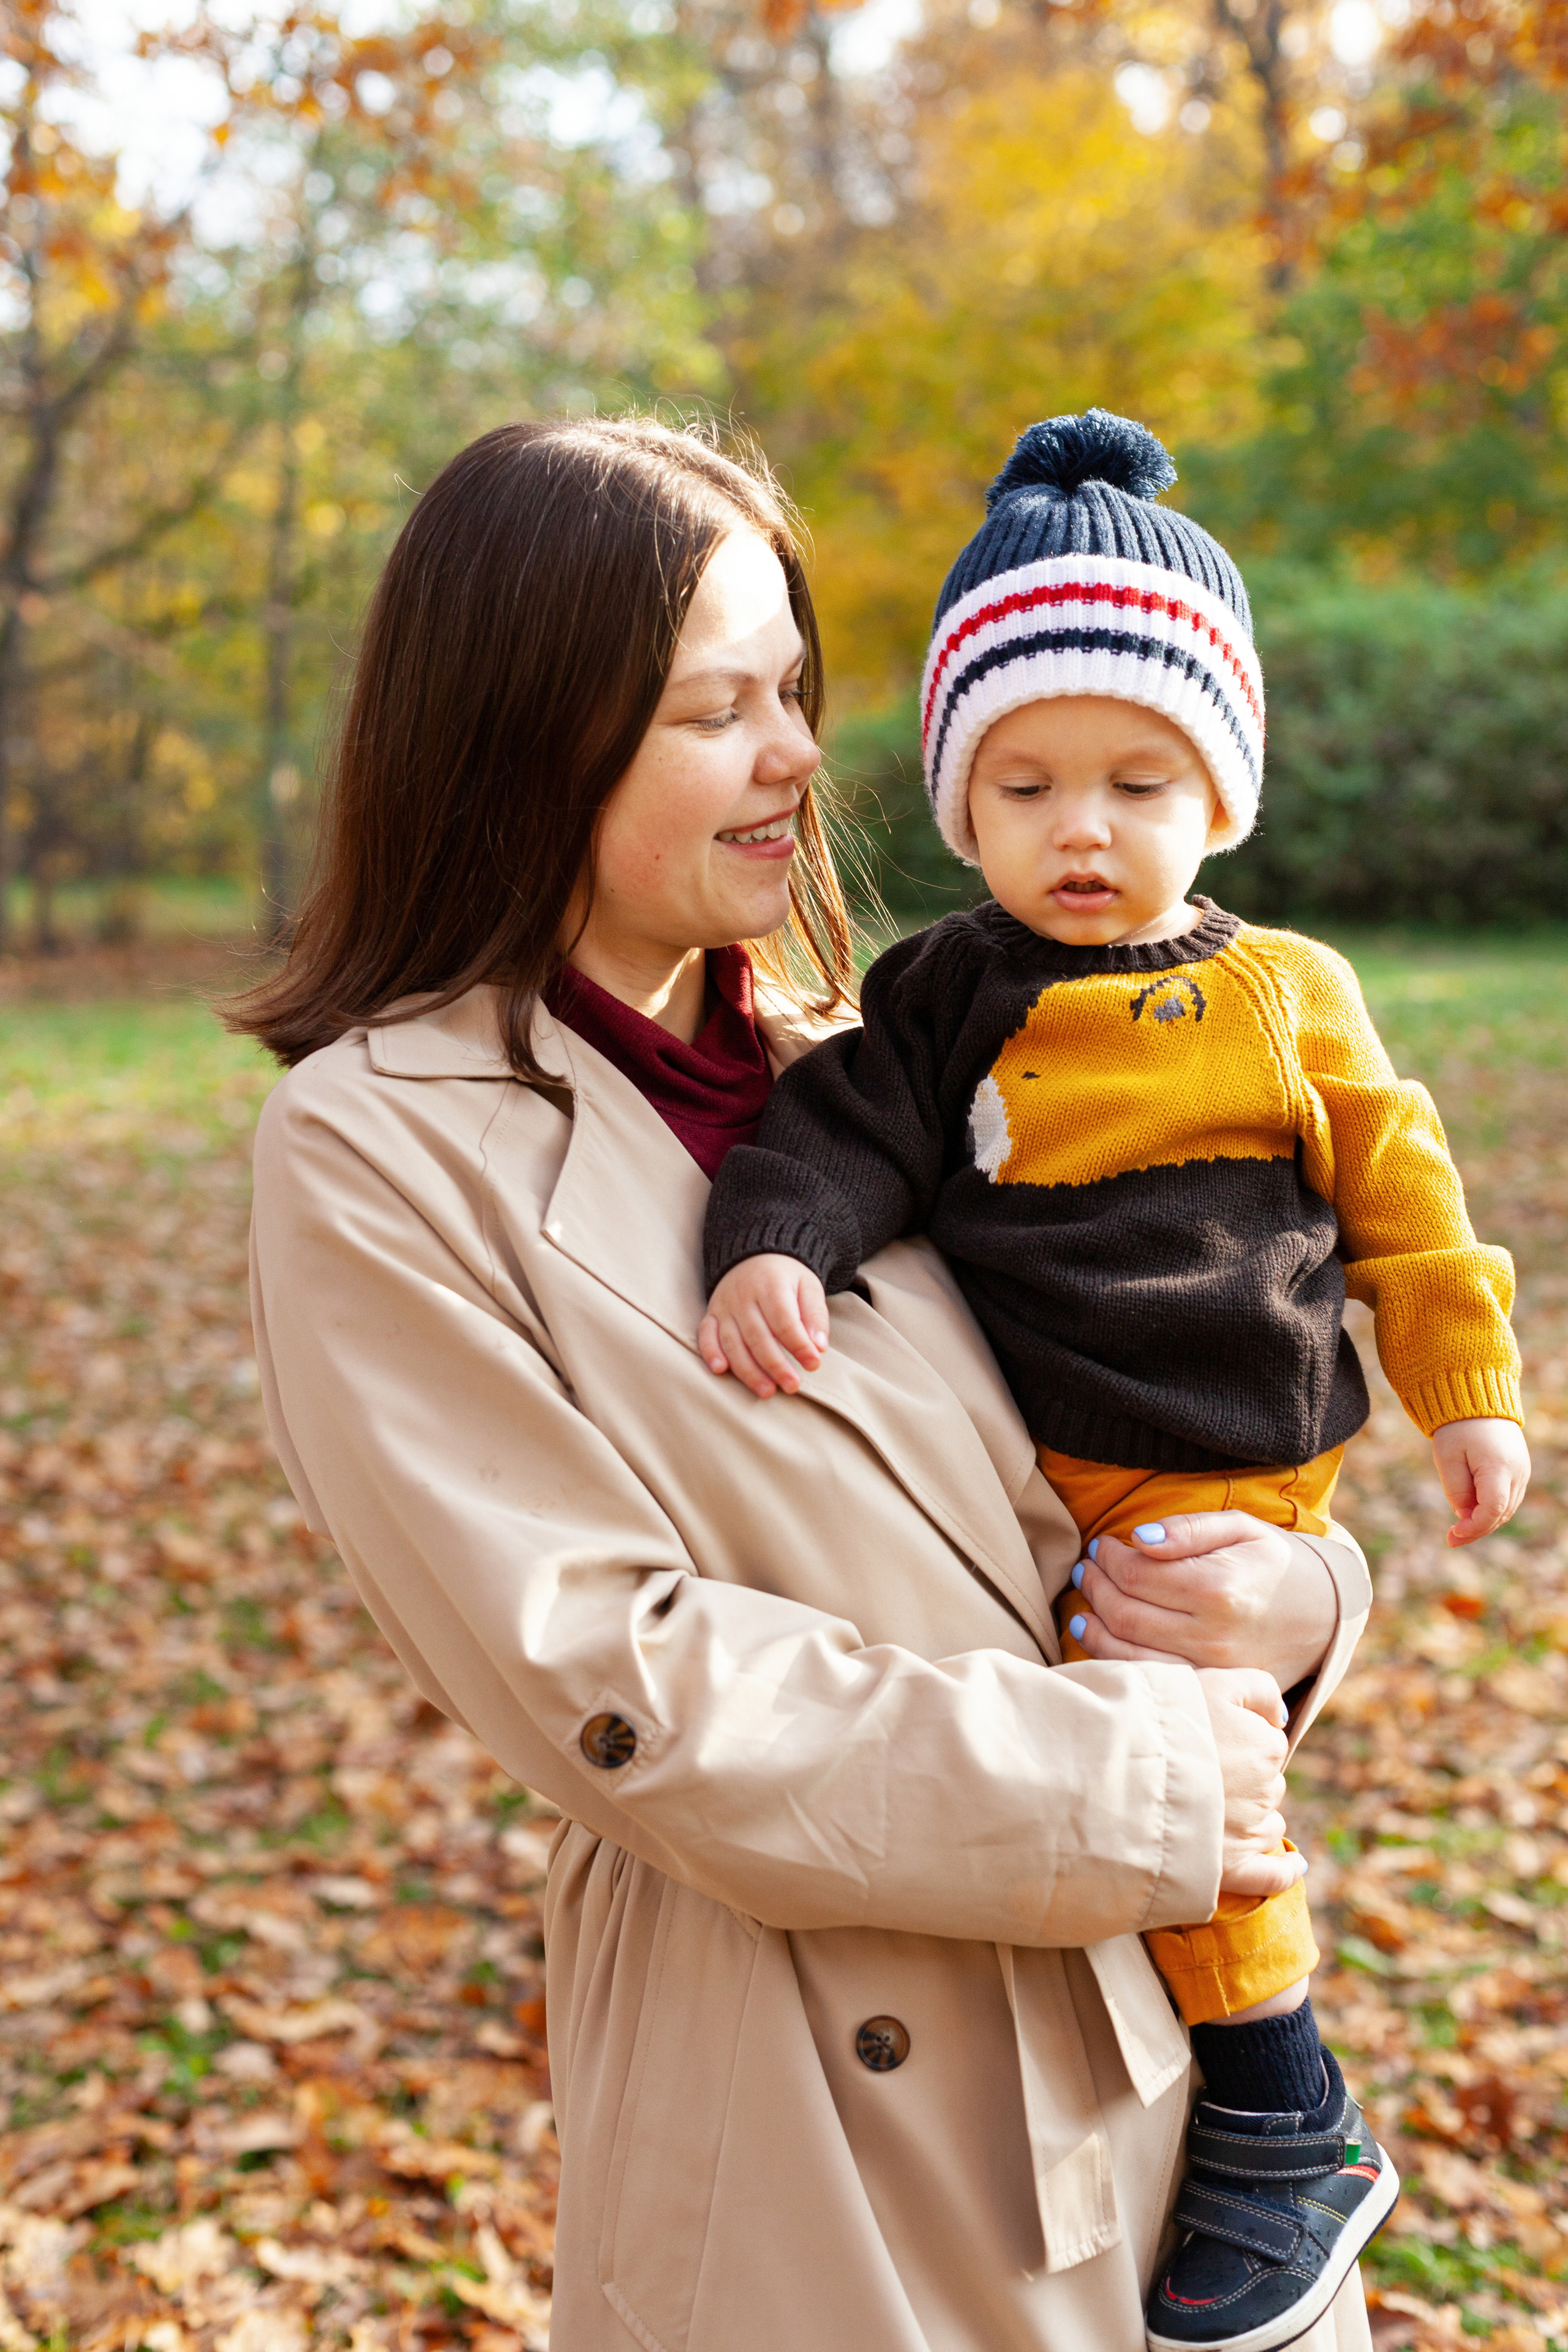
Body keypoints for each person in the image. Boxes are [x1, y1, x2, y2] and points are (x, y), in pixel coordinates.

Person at [235, 413, 1380, 2352]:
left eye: (796, 692)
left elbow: (1140, 1421)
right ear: (529, 739)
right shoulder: (375, 1149)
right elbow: (618, 1674)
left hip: (1152, 2053)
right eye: (714, 710)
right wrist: (1132, 1778)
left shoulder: (887, 1062)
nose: (795, 758)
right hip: (803, 2101)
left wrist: (1297, 1603)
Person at [700, 409, 1530, 2351]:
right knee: (1107, 1762)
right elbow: (834, 1139)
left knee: (1172, 1747)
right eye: (1031, 785)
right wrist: (769, 1246)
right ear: (965, 809)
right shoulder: (940, 994)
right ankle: (1233, 2088)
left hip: (1223, 1456)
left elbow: (1408, 1196)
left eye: (1141, 783)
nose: (1087, 829)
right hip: (1037, 1459)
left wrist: (1467, 1387)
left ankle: (1283, 2105)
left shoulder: (1283, 993)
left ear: (1220, 795)